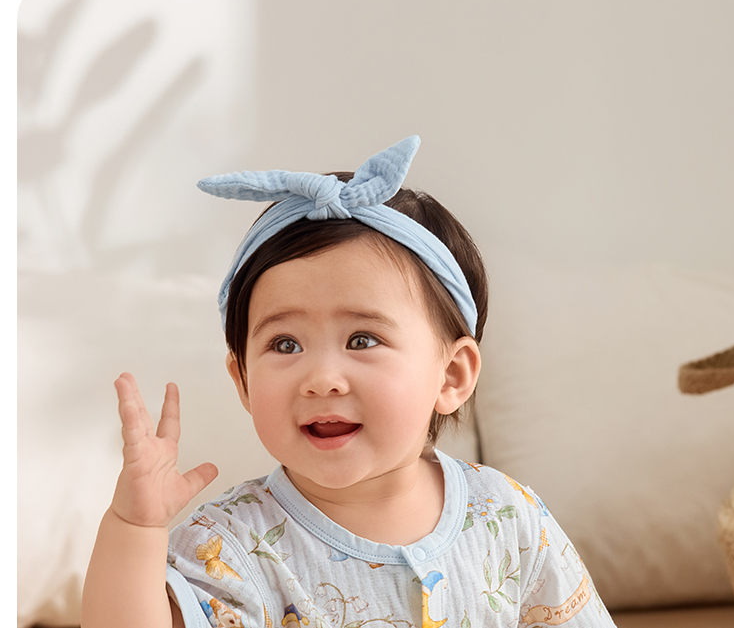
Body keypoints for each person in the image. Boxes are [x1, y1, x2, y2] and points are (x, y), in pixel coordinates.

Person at [82, 136, 617, 628]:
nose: (321, 379)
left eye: (362, 339)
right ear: (243, 380)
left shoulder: (507, 516)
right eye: (285, 344)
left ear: (451, 375)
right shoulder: (230, 547)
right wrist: (134, 528)